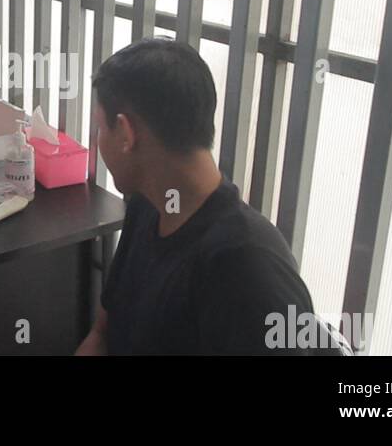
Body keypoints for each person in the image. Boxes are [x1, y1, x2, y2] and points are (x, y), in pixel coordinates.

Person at [76, 38, 337, 355]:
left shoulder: (246, 269)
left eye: (100, 128)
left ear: (126, 133)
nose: (98, 142)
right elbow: (104, 333)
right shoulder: (148, 205)